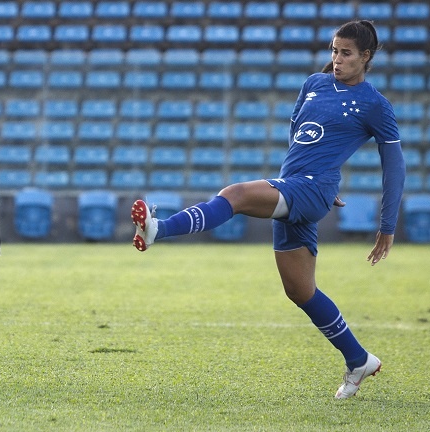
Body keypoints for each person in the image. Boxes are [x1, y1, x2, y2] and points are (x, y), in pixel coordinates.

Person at [131, 20, 405, 399]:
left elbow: (395, 167)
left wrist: (386, 226)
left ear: (366, 57)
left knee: (236, 194)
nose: (337, 59)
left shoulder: (375, 104)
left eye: (346, 53)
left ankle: (158, 228)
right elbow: (299, 139)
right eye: (334, 50)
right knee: (300, 291)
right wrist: (310, 180)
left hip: (312, 190)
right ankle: (359, 360)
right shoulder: (314, 84)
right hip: (298, 187)